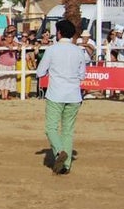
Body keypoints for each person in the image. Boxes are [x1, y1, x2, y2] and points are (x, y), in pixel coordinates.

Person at [35, 19, 90, 175]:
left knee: (51, 128)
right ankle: (65, 165)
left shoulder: (52, 50)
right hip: (74, 95)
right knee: (68, 131)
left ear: (59, 33)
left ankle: (59, 152)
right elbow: (82, 75)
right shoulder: (78, 51)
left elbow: (40, 72)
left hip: (56, 94)